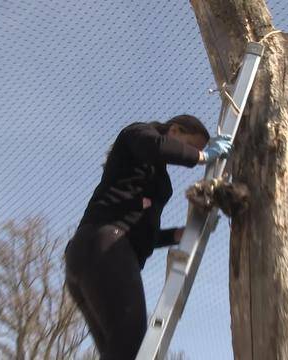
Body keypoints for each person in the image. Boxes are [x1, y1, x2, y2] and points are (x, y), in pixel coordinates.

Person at [63, 114, 232, 359]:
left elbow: (143, 234)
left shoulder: (149, 174)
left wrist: (178, 235)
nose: (195, 153)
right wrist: (203, 157)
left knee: (121, 351)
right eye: (192, 146)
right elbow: (157, 147)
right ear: (174, 130)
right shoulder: (137, 134)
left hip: (94, 254)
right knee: (131, 346)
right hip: (105, 245)